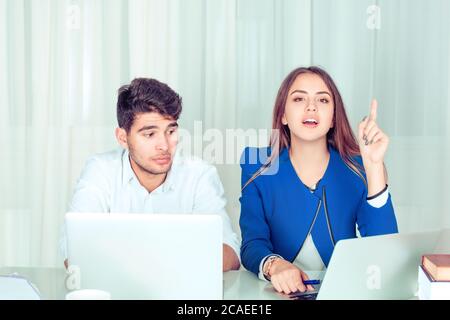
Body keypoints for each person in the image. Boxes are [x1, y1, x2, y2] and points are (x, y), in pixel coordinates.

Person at [239, 66, 398, 294]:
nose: (311, 107)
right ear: (283, 115)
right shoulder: (257, 165)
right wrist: (275, 265)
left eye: (322, 100)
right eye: (298, 98)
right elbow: (252, 244)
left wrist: (373, 168)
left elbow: (383, 255)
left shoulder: (357, 166)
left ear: (333, 118)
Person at [62, 78, 240, 271]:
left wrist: (126, 257)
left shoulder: (199, 174)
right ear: (123, 137)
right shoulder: (100, 170)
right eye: (150, 134)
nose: (164, 145)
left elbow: (230, 254)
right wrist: (177, 256)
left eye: (171, 131)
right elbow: (73, 251)